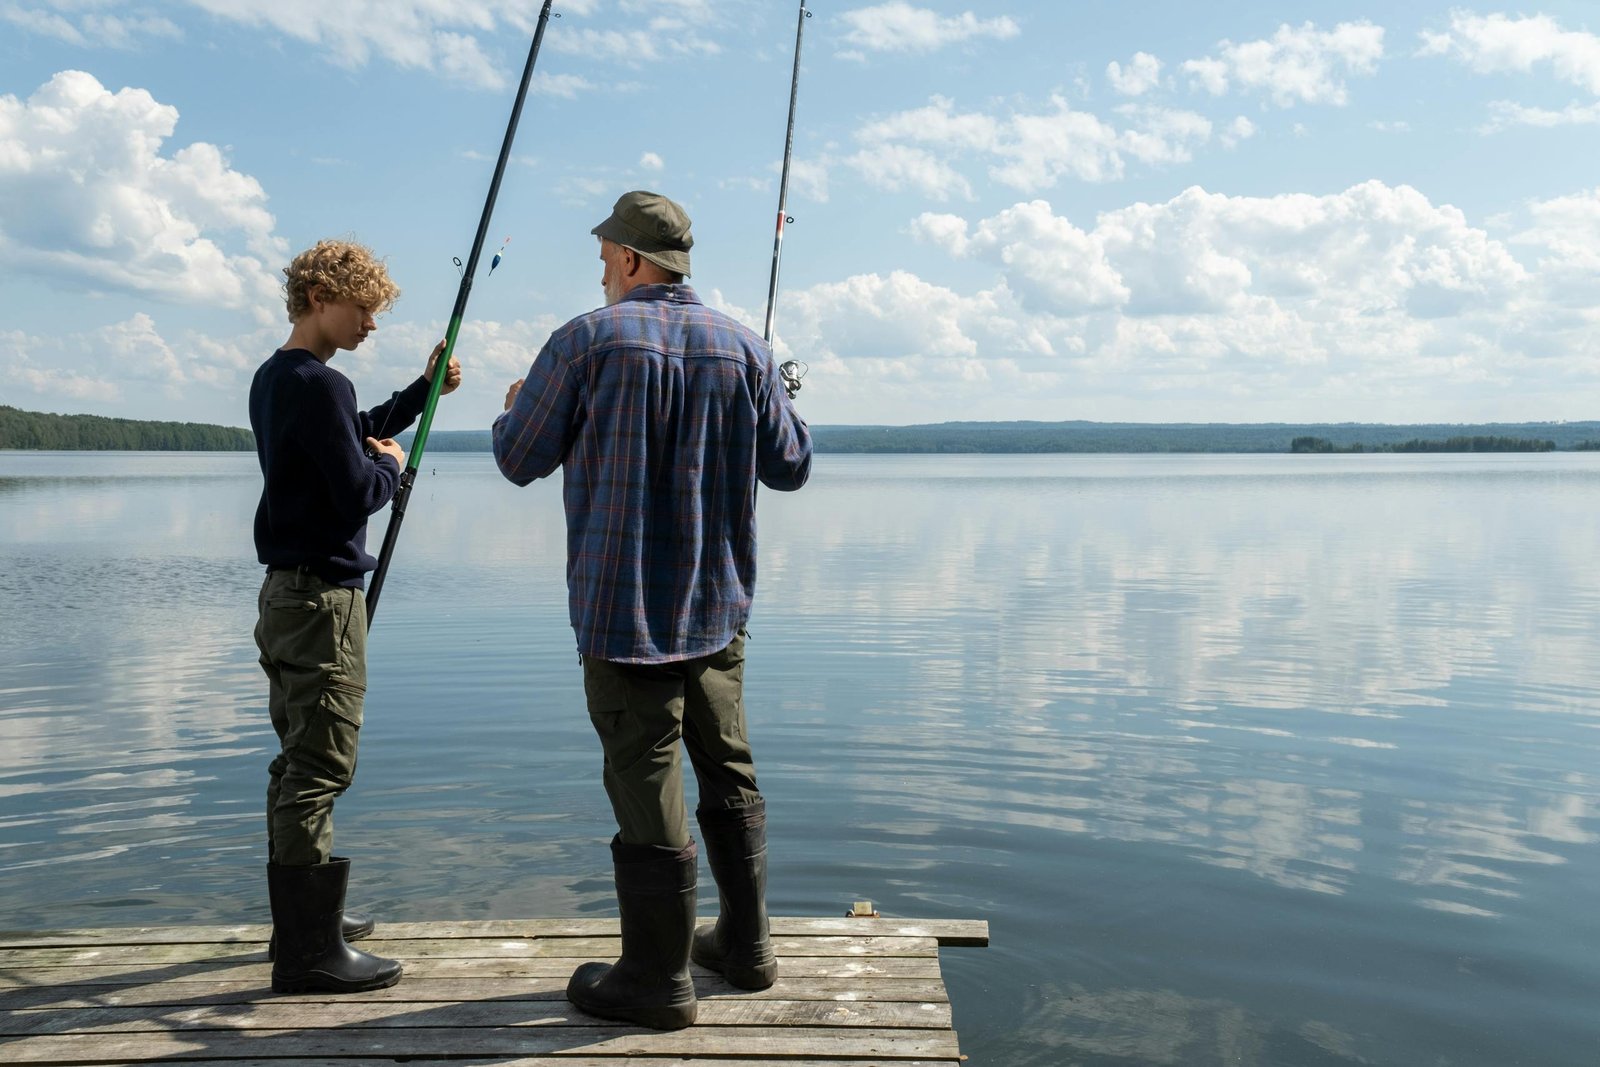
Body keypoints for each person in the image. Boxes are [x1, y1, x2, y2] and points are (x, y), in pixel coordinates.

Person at [492, 191, 812, 1029]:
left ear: (632, 259)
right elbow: (791, 465)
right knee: (727, 764)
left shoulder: (582, 342)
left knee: (645, 774)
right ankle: (746, 946)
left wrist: (517, 399)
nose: (602, 272)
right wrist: (779, 388)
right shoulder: (745, 346)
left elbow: (519, 457)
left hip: (620, 610)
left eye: (606, 257)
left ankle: (657, 978)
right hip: (717, 608)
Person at [250, 238, 461, 994]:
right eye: (363, 308)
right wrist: (393, 466)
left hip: (284, 597)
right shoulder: (320, 387)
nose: (371, 323)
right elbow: (357, 488)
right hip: (323, 604)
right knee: (320, 764)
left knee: (295, 759)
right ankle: (308, 952)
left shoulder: (280, 378)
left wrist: (423, 390)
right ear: (319, 298)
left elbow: (352, 431)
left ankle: (302, 920)